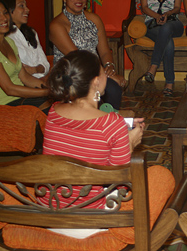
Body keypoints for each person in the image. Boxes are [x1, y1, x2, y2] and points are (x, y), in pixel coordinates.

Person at [42, 50, 146, 238]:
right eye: (104, 71)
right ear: (96, 82)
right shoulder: (111, 124)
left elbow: (82, 129)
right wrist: (128, 144)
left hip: (50, 213)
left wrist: (118, 128)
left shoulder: (53, 112)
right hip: (89, 220)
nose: (107, 74)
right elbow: (120, 185)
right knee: (156, 177)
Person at [49, 0, 126, 110]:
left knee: (113, 89)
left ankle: (106, 124)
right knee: (112, 88)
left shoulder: (94, 19)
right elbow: (79, 58)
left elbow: (105, 51)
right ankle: (96, 124)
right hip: (72, 74)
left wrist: (109, 67)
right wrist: (106, 76)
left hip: (95, 71)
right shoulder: (57, 25)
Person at [0, 0, 49, 110]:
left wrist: (52, 88)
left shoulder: (9, 42)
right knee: (56, 108)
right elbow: (9, 89)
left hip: (20, 99)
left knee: (64, 102)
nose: (4, 18)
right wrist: (46, 92)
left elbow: (25, 78)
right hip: (5, 105)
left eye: (5, 13)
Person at [140, 0, 184, 97]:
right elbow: (144, 7)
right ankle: (169, 83)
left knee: (166, 28)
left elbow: (177, 8)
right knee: (168, 43)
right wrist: (157, 16)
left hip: (173, 23)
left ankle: (153, 67)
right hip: (151, 24)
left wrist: (166, 14)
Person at [1, 0, 50, 79]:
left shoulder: (32, 32)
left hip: (41, 81)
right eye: (21, 6)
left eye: (26, 6)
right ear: (8, 10)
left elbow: (45, 64)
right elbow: (18, 71)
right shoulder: (4, 37)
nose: (27, 10)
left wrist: (34, 69)